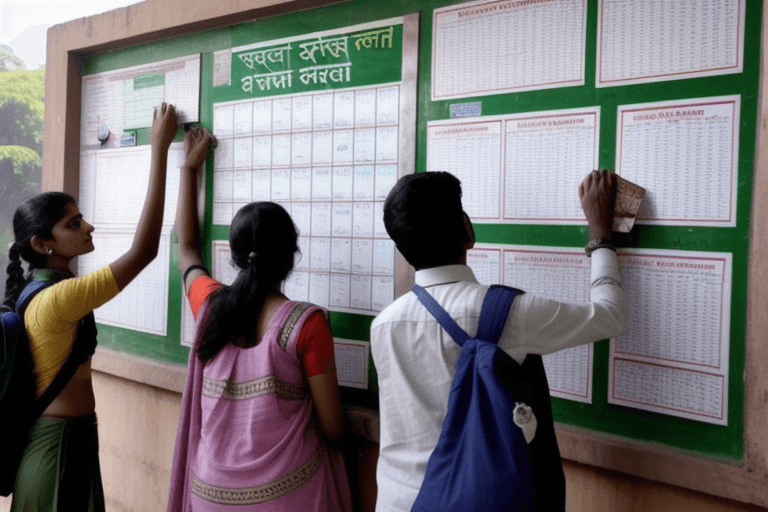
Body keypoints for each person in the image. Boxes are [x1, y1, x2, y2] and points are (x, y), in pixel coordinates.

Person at [370, 169, 627, 511]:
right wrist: (599, 236)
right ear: (468, 231)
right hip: (471, 499)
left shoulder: (384, 324)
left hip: (397, 500)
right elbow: (610, 316)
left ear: (402, 249)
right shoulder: (504, 313)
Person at [2, 102, 179, 511]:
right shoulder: (59, 298)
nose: (88, 227)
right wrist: (160, 150)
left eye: (81, 218)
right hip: (56, 450)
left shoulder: (51, 289)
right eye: (73, 223)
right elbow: (145, 251)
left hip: (71, 442)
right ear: (42, 244)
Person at [167, 126, 352, 511]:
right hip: (286, 496)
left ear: (235, 256)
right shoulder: (307, 325)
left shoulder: (210, 308)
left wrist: (189, 170)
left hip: (209, 493)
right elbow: (333, 429)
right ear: (291, 255)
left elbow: (186, 248)